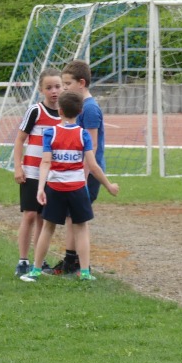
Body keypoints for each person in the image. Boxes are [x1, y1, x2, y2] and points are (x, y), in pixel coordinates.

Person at [20, 89, 119, 283]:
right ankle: (85, 273)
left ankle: (35, 270)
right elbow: (92, 165)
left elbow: (45, 162)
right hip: (77, 189)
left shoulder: (51, 133)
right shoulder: (84, 135)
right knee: (81, 228)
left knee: (48, 228)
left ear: (60, 111)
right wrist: (108, 185)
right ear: (80, 111)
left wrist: (40, 188)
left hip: (55, 188)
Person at [49, 59, 106, 275]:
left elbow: (91, 146)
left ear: (81, 83)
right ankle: (71, 261)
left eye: (67, 84)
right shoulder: (81, 106)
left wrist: (82, 176)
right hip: (75, 173)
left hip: (86, 174)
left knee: (77, 219)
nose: (63, 88)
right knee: (71, 217)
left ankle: (77, 264)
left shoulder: (89, 109)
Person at [12, 68, 63, 277]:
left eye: (58, 86)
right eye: (49, 87)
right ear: (41, 90)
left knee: (44, 217)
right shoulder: (35, 111)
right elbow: (20, 139)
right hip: (32, 172)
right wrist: (18, 166)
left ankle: (38, 261)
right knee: (30, 215)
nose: (54, 91)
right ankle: (23, 260)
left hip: (51, 175)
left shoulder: (65, 113)